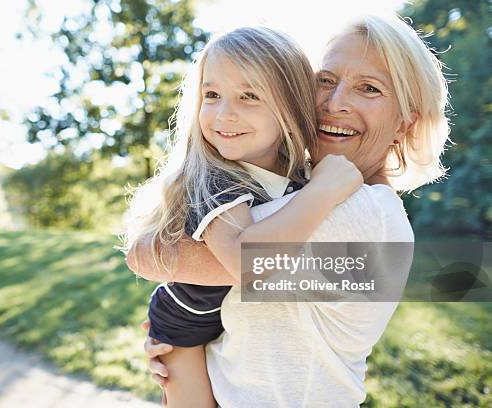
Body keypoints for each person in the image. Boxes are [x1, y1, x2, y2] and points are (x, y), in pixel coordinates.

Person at [127, 14, 450, 407]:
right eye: (326, 81)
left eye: (368, 88)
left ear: (406, 122)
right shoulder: (295, 188)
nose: (335, 103)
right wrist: (180, 338)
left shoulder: (364, 211)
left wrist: (174, 329)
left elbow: (155, 254)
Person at [123, 27, 363, 408]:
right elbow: (244, 262)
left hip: (231, 327)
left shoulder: (293, 174)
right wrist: (323, 191)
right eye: (212, 95)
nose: (224, 114)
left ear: (291, 105)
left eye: (249, 96)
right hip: (186, 324)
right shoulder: (215, 176)